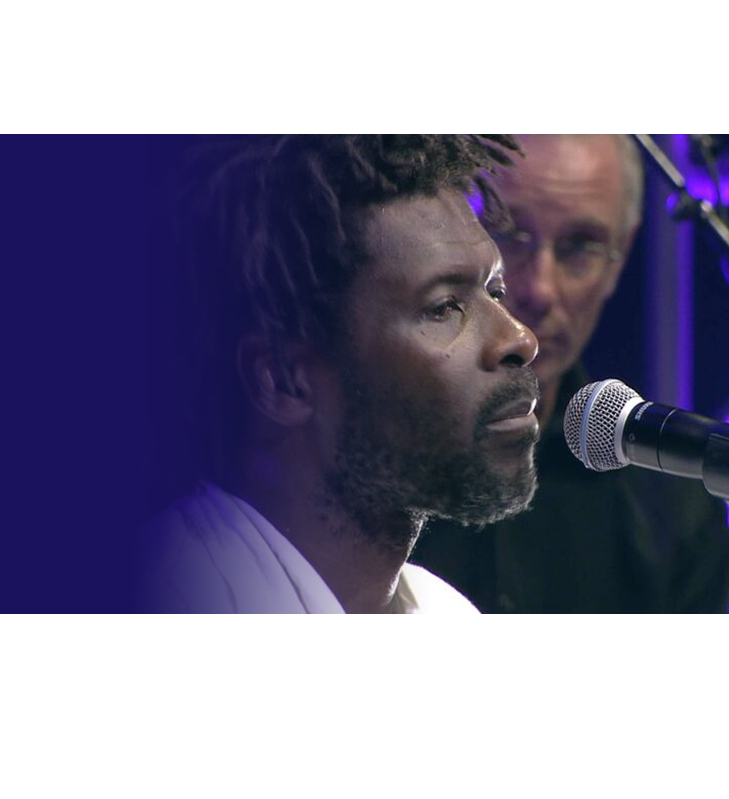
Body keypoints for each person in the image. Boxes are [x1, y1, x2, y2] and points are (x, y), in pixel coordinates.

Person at [141, 135, 542, 613]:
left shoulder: (445, 611)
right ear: (285, 380)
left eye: (494, 293)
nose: (520, 338)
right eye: (443, 307)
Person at [411, 135, 729, 612]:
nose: (541, 288)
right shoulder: (366, 454)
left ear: (621, 255)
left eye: (580, 247)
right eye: (508, 233)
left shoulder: (673, 506)